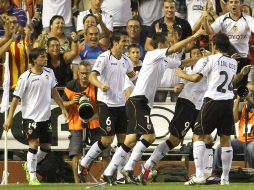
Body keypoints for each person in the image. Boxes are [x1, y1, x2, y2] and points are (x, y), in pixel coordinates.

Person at [102, 29, 204, 185]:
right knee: (150, 136)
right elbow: (174, 49)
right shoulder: (152, 54)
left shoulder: (164, 61)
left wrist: (202, 59)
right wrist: (195, 36)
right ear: (160, 45)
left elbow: (183, 62)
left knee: (130, 141)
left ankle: (108, 172)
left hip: (144, 103)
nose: (170, 45)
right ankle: (129, 168)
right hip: (138, 101)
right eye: (167, 43)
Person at [139, 46, 214, 185]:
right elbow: (181, 82)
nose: (197, 55)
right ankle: (148, 165)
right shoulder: (189, 69)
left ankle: (207, 173)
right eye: (194, 53)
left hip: (199, 106)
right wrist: (179, 83)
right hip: (186, 104)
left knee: (207, 138)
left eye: (199, 53)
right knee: (175, 140)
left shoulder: (208, 66)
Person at [178, 33, 240, 185]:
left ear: (215, 45)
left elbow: (196, 78)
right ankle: (225, 178)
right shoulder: (233, 62)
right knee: (226, 140)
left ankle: (199, 175)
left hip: (212, 101)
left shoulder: (210, 59)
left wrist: (180, 73)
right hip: (227, 102)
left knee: (198, 136)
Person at [3, 48, 68, 185]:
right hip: (30, 117)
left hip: (45, 117)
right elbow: (15, 99)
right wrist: (9, 118)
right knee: (34, 143)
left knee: (46, 148)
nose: (45, 59)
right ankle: (32, 176)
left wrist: (62, 108)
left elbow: (54, 92)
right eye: (42, 57)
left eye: (45, 57)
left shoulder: (49, 73)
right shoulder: (25, 77)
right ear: (34, 60)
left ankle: (29, 165)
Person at [78, 31, 137, 181]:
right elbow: (92, 76)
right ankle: (84, 162)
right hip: (106, 103)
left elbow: (133, 78)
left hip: (121, 104)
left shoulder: (126, 60)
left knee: (124, 140)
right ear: (115, 43)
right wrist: (100, 85)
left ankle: (118, 175)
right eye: (124, 41)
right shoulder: (104, 57)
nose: (126, 43)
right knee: (107, 140)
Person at [62, 61, 109, 183]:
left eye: (87, 73)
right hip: (76, 122)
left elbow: (103, 108)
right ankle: (77, 182)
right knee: (75, 153)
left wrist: (92, 117)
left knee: (104, 152)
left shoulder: (96, 86)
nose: (84, 76)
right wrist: (72, 102)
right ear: (78, 73)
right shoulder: (71, 85)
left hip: (95, 123)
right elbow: (62, 104)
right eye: (82, 73)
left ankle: (106, 177)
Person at [203, 0, 254, 87]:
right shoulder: (222, 19)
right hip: (227, 58)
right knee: (227, 86)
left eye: (236, 2)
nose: (233, 4)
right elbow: (210, 32)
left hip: (243, 58)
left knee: (239, 89)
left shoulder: (248, 19)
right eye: (231, 2)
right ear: (227, 5)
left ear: (240, 4)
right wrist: (204, 18)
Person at [214, 71, 254, 170]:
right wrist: (236, 101)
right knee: (220, 147)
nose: (249, 93)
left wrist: (248, 99)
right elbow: (234, 120)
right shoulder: (243, 106)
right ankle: (216, 171)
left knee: (251, 148)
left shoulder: (250, 103)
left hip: (252, 141)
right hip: (241, 140)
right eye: (248, 91)